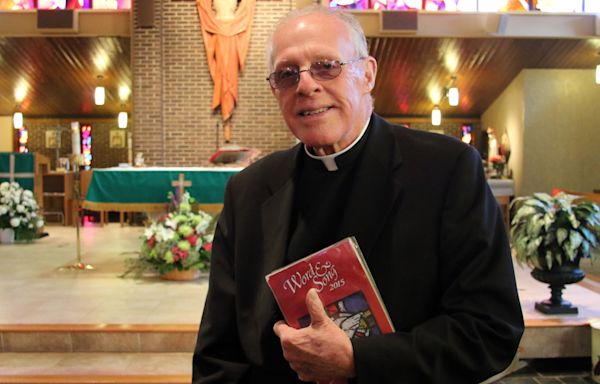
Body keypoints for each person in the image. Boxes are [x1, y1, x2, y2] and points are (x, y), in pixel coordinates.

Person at [193, 5, 524, 383]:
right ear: (275, 90)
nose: (305, 85)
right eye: (287, 74)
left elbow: (490, 331)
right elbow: (219, 351)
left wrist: (358, 360)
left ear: (366, 74)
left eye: (326, 65)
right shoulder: (248, 190)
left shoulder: (446, 170)